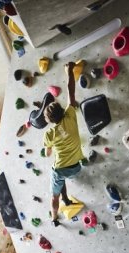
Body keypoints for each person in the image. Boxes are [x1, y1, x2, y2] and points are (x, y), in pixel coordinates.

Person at [43, 61, 84, 227]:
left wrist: (49, 148)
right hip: (76, 167)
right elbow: (70, 91)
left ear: (49, 121)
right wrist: (69, 71)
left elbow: (47, 153)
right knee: (61, 175)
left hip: (61, 169)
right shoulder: (70, 115)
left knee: (54, 195)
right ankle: (66, 199)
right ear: (62, 110)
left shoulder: (49, 134)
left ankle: (54, 218)